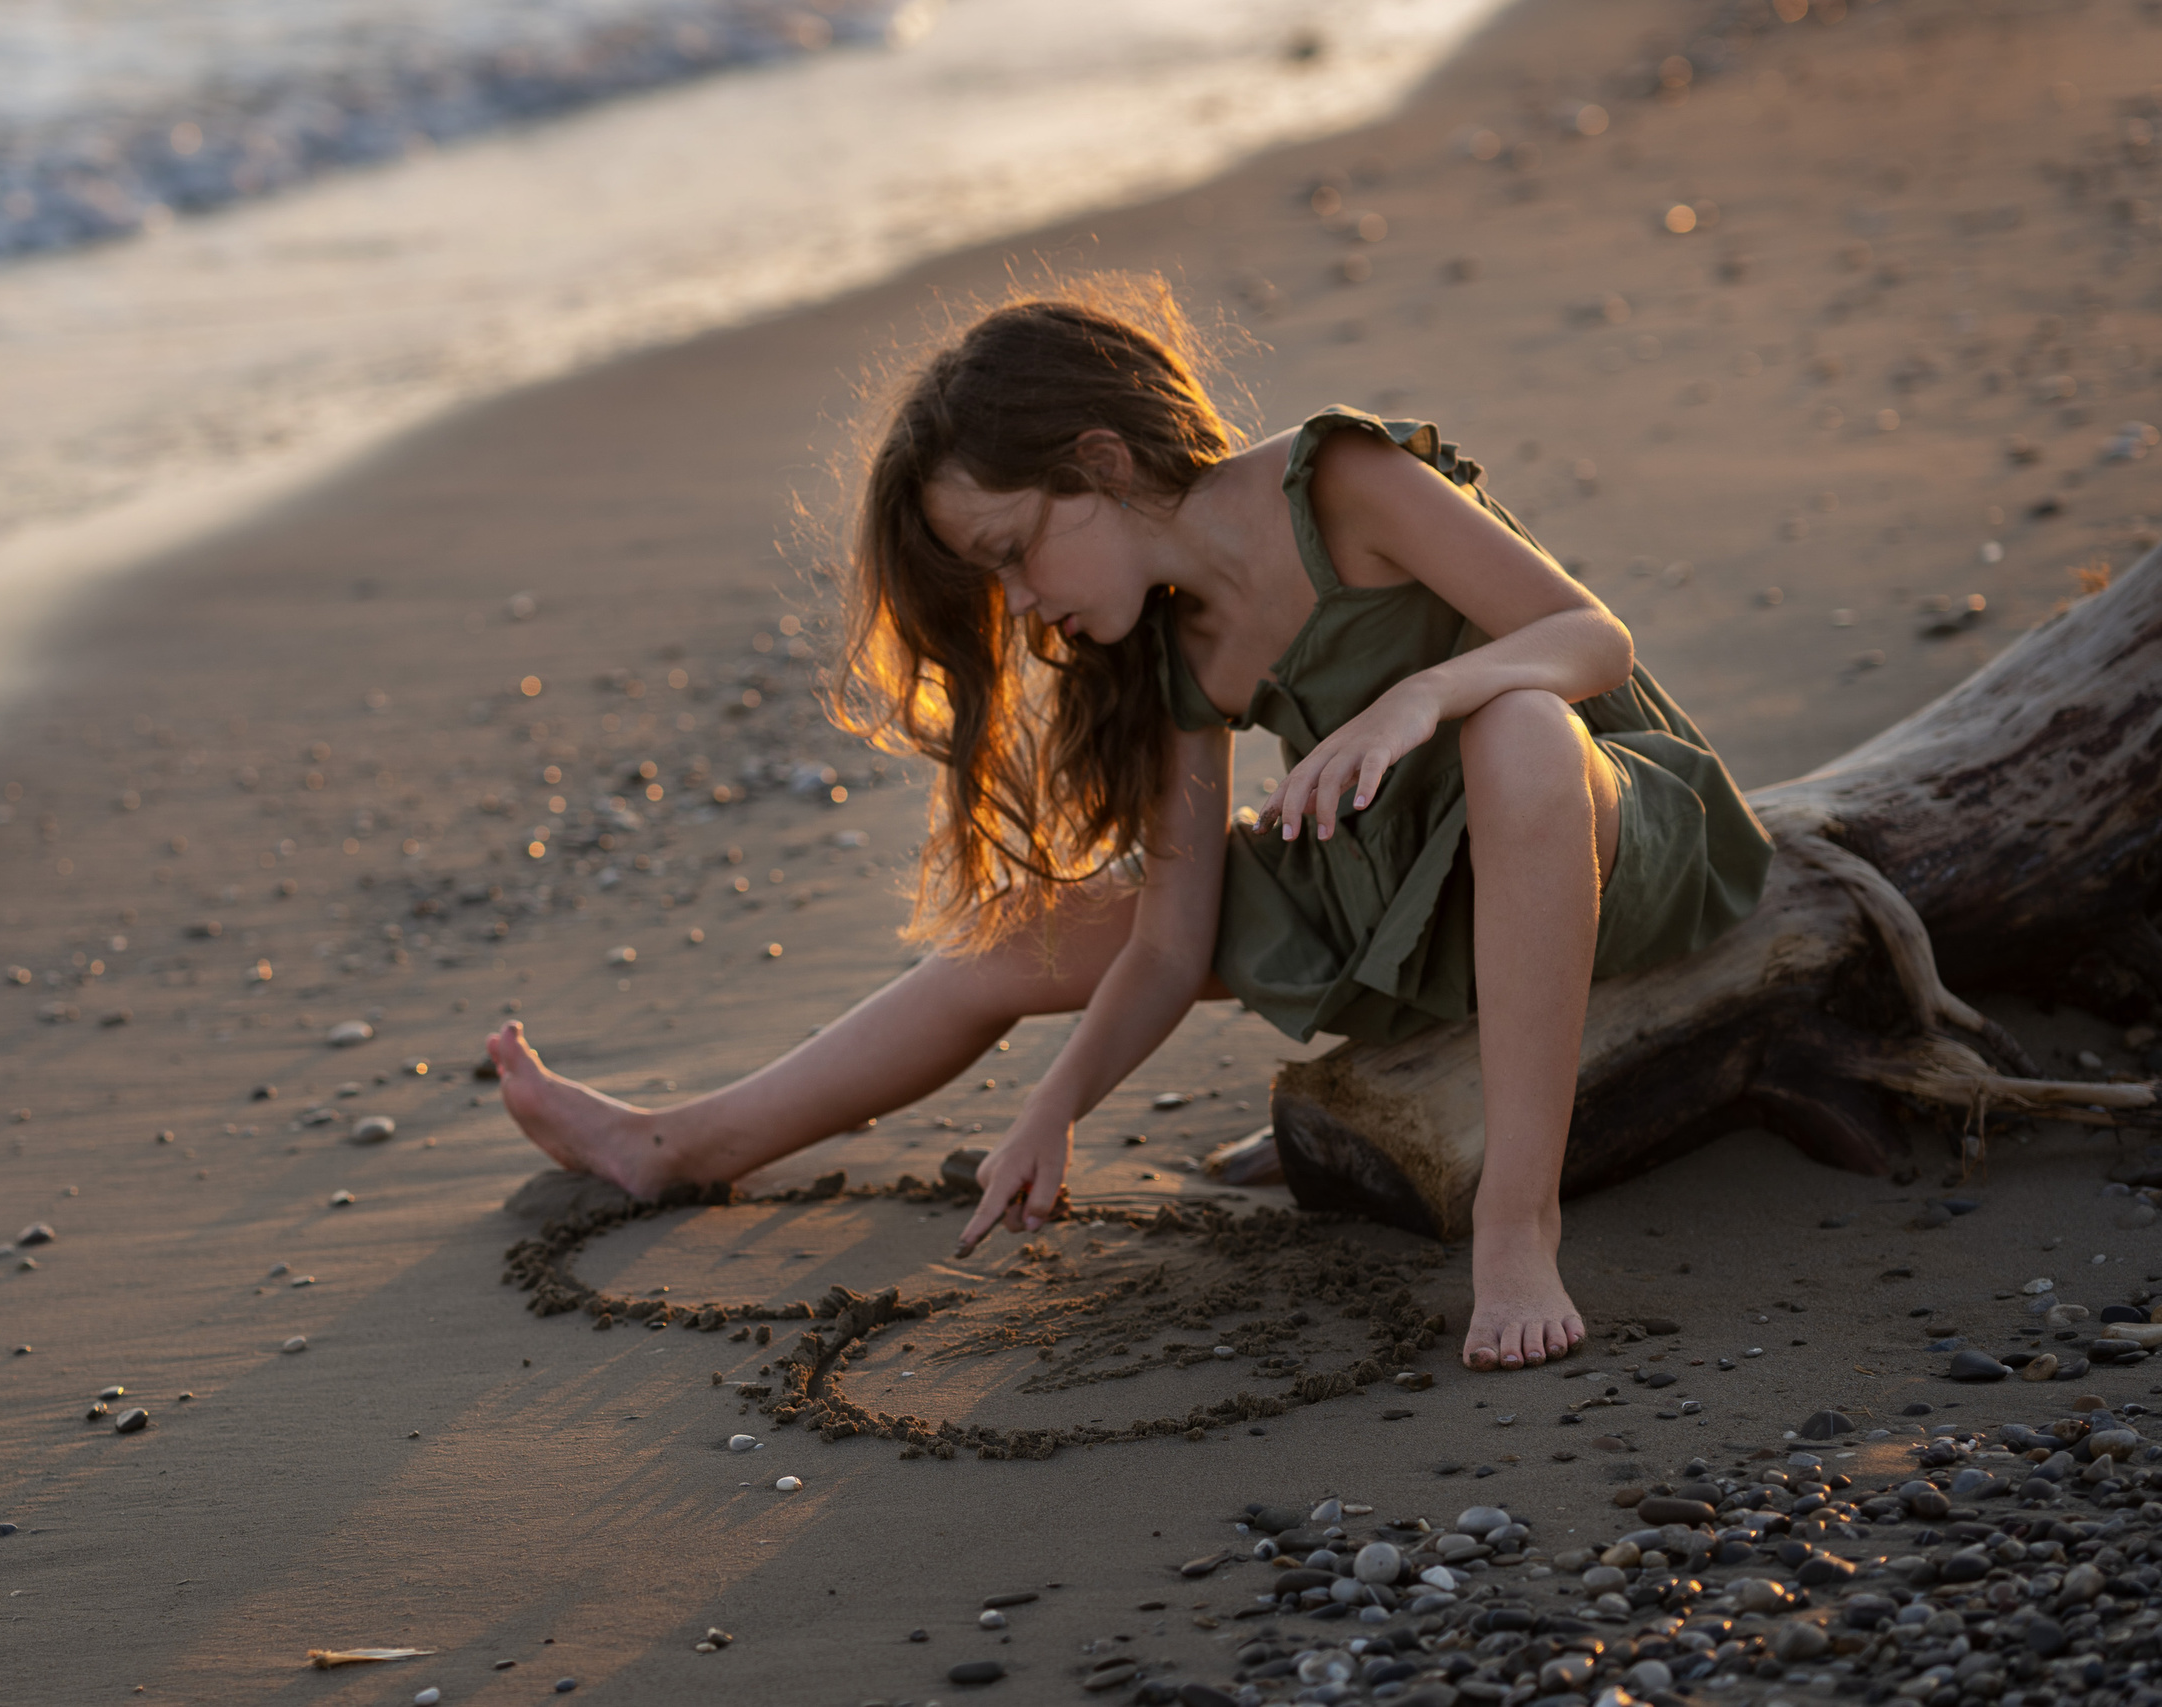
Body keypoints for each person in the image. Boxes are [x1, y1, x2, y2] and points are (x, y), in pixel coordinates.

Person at [486, 277, 1772, 1372]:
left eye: (1012, 552)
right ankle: (678, 1145)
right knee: (1011, 939)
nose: (1019, 600)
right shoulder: (1170, 653)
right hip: (1396, 890)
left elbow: (1592, 641)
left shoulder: (1340, 479)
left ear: (1099, 464)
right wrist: (1056, 1105)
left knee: (1518, 732)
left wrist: (1422, 699)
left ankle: (1515, 1226)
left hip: (1604, 838)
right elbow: (1170, 942)